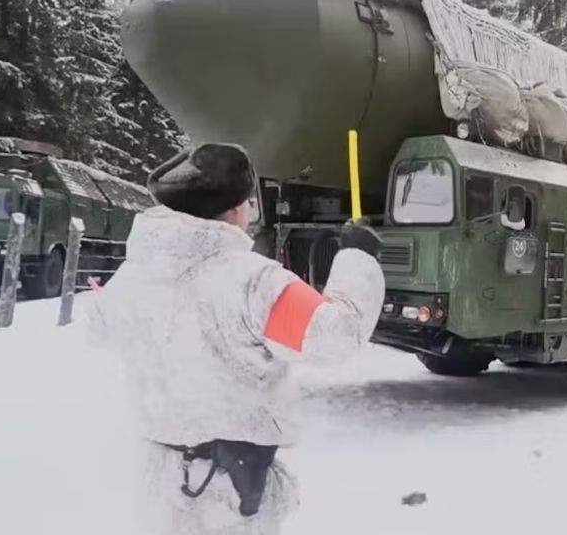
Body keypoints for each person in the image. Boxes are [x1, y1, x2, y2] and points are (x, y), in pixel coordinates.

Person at [85, 143, 385, 534]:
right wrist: (357, 258)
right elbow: (337, 336)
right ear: (236, 210)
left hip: (161, 486)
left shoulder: (130, 278)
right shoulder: (254, 282)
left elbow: (100, 329)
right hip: (228, 493)